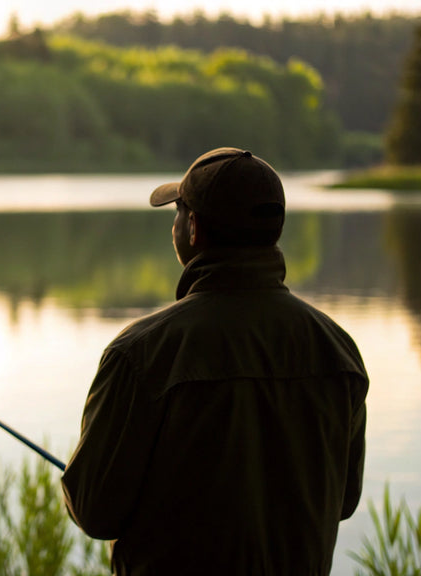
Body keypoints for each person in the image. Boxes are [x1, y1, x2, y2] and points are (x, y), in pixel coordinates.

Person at [61, 147, 368, 575]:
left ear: (194, 230)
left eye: (178, 212)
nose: (175, 224)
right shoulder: (338, 350)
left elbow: (96, 512)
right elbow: (344, 500)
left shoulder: (142, 353)